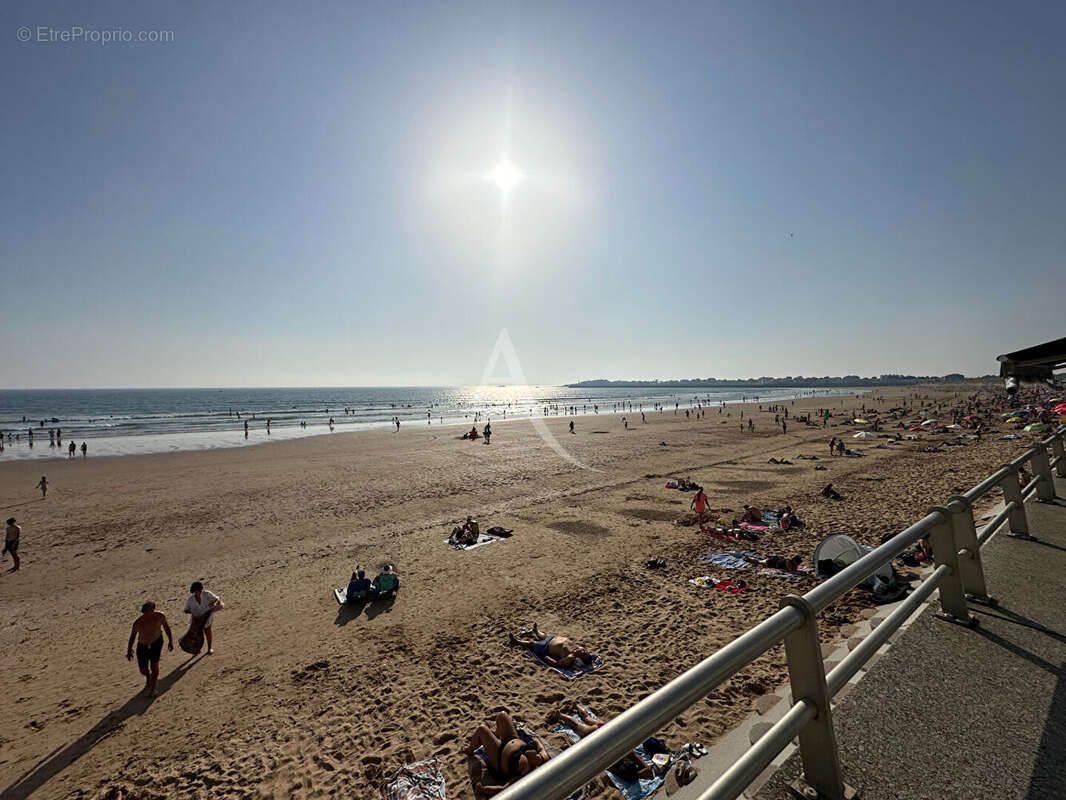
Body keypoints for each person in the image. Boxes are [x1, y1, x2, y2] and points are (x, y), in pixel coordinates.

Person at [547, 707, 653, 781]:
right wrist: (637, 775)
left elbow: (648, 769)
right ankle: (560, 715)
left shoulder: (628, 753)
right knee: (576, 725)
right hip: (597, 736)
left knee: (588, 719)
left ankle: (577, 706)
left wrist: (640, 773)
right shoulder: (611, 763)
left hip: (606, 731)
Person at [463, 711, 550, 795]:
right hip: (512, 738)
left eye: (521, 768)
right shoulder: (540, 759)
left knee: (482, 729)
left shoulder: (522, 776)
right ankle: (497, 735)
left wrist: (483, 789)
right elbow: (542, 749)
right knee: (502, 715)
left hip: (499, 756)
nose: (522, 768)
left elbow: (503, 788)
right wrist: (537, 741)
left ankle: (469, 750)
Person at [126, 601, 174, 696]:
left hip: (156, 643)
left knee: (154, 666)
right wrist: (129, 649)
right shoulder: (138, 622)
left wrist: (170, 641)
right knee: (143, 669)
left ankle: (153, 689)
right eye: (144, 612)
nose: (145, 614)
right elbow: (132, 636)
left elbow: (167, 628)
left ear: (153, 610)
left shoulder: (160, 616)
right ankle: (148, 677)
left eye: (147, 611)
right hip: (142, 645)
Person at [509, 624, 592, 669]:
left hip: (546, 647)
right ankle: (536, 632)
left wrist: (547, 658)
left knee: (532, 643)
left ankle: (517, 641)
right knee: (543, 635)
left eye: (584, 654)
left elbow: (556, 664)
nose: (583, 651)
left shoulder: (570, 657)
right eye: (585, 651)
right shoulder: (578, 647)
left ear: (580, 658)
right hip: (552, 638)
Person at [183, 582, 223, 655]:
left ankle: (209, 648)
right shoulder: (190, 599)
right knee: (197, 634)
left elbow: (216, 599)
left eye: (197, 592)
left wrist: (213, 604)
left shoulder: (207, 594)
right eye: (194, 592)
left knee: (207, 631)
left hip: (207, 616)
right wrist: (192, 611)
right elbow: (186, 610)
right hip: (196, 618)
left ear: (200, 590)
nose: (195, 593)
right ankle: (196, 649)